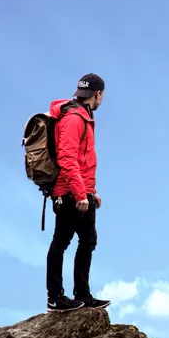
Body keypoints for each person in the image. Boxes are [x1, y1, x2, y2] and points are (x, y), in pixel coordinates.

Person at [45, 73, 112, 313]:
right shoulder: (74, 118)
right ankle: (55, 298)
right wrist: (80, 193)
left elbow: (83, 161)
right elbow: (67, 158)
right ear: (98, 94)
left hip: (82, 191)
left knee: (88, 241)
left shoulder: (84, 116)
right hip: (69, 192)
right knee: (61, 242)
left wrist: (91, 192)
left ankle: (82, 295)